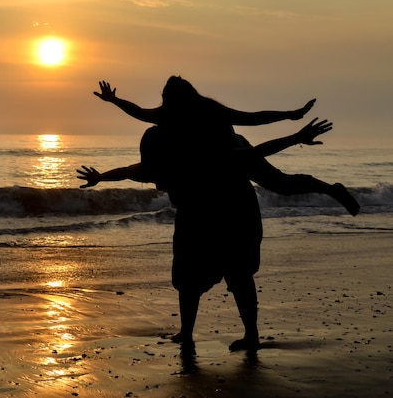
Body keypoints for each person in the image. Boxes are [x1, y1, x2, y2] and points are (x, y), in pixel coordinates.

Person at [77, 118, 334, 355]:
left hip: (235, 214)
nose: (155, 178)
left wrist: (296, 137)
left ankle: (251, 335)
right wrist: (100, 177)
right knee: (187, 277)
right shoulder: (155, 164)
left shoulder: (204, 157)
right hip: (195, 218)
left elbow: (257, 152)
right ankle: (187, 333)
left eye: (158, 167)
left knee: (239, 275)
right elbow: (128, 170)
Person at [93, 78, 359, 216]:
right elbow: (138, 113)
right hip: (210, 157)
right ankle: (329, 188)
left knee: (281, 184)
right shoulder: (167, 114)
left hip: (234, 151)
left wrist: (290, 115)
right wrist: (114, 101)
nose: (168, 106)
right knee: (279, 184)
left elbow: (251, 118)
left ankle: (331, 189)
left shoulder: (209, 110)